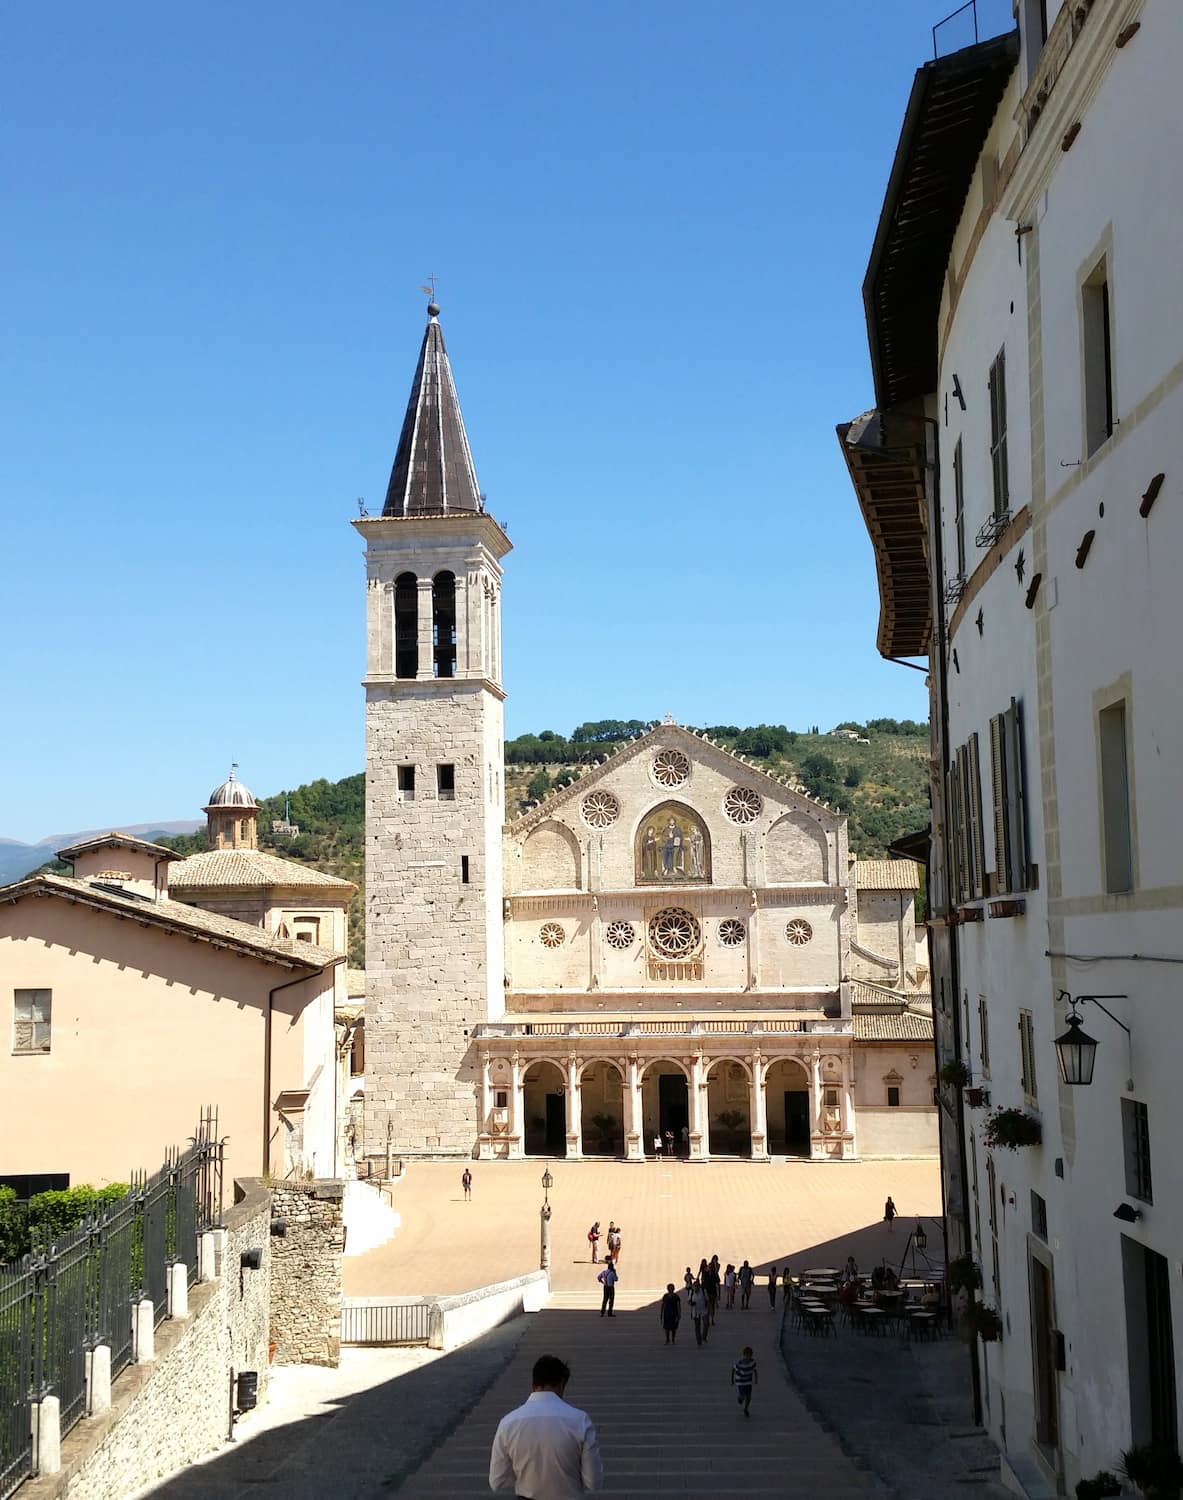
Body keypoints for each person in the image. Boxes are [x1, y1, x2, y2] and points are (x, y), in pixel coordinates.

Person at [489, 1353, 604, 1496]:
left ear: (533, 1385)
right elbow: (593, 1482)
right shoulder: (580, 1420)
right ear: (562, 1384)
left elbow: (497, 1481)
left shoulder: (508, 1423)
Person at [731, 1345, 758, 1417]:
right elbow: (733, 1369)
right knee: (742, 1395)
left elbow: (755, 1370)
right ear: (744, 1355)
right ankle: (740, 1398)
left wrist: (756, 1379)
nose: (748, 1358)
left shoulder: (753, 1362)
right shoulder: (740, 1363)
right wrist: (732, 1380)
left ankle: (746, 1409)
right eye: (747, 1356)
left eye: (749, 1356)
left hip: (748, 1382)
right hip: (741, 1381)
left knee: (749, 1396)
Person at [689, 1279, 711, 1345]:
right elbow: (688, 1301)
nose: (696, 1288)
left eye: (697, 1286)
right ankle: (699, 1340)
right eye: (694, 1286)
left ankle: (704, 1336)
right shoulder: (691, 1292)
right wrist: (691, 1303)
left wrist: (709, 1310)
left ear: (699, 1286)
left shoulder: (703, 1291)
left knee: (706, 1324)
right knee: (697, 1326)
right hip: (695, 1312)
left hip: (704, 1310)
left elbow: (707, 1300)